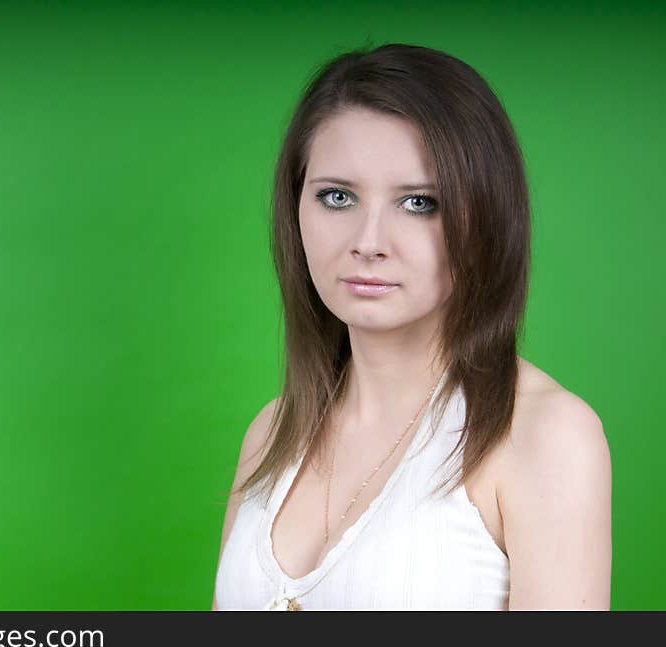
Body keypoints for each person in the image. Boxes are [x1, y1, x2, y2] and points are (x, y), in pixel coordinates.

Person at [210, 43, 611, 610]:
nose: (368, 242)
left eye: (420, 203)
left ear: (487, 216)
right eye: (336, 196)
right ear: (294, 206)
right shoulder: (272, 432)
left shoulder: (546, 436)